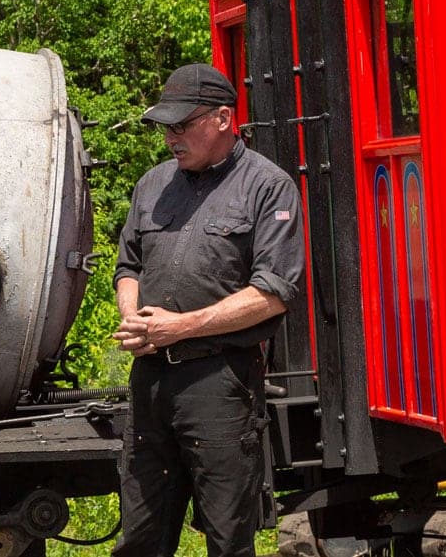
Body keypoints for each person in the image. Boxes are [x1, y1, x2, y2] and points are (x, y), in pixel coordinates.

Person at [110, 63, 303, 557]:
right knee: (141, 535)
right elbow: (128, 264)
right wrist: (134, 317)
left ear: (222, 119)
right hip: (150, 379)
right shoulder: (152, 185)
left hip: (219, 381)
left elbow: (274, 292)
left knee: (227, 535)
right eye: (166, 127)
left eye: (182, 124)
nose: (171, 137)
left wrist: (183, 327)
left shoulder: (267, 186)